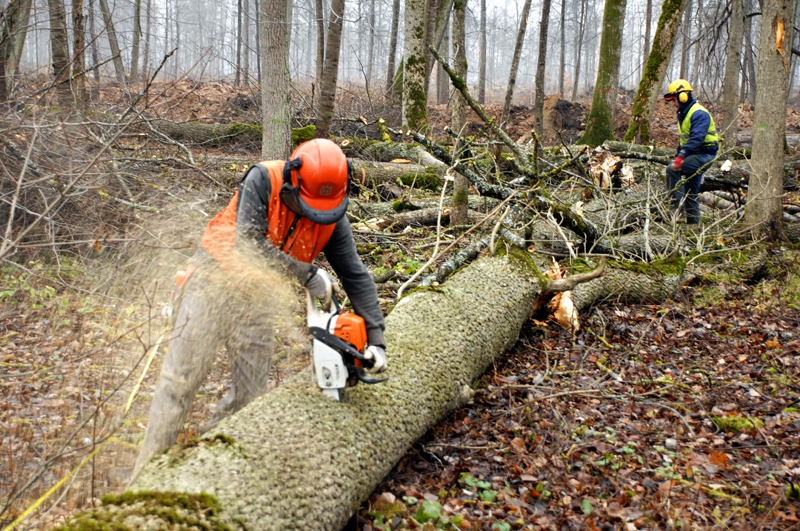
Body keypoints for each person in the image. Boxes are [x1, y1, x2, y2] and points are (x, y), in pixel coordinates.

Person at [131, 138, 387, 481]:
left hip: (258, 301)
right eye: (310, 206)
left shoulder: (331, 215)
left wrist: (376, 341)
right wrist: (307, 274)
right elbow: (247, 244)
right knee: (179, 383)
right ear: (294, 180)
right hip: (211, 282)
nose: (316, 216)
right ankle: (145, 478)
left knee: (250, 399)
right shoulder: (263, 180)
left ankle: (207, 474)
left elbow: (356, 275)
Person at [663, 79, 719, 225]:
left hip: (704, 154)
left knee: (671, 170)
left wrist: (680, 159)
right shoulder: (684, 113)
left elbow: (696, 139)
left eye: (675, 99)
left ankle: (675, 210)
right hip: (695, 155)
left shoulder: (699, 113)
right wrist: (679, 155)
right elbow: (684, 142)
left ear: (683, 96)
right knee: (690, 193)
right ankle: (693, 227)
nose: (673, 103)